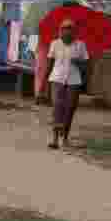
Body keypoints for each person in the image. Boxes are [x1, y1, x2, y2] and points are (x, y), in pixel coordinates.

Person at [45, 19, 89, 149]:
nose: (66, 31)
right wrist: (45, 82)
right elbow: (50, 63)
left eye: (69, 28)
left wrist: (78, 63)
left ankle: (65, 138)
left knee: (70, 108)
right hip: (57, 78)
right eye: (64, 28)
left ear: (74, 31)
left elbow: (86, 65)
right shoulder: (54, 44)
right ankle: (54, 139)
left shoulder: (80, 45)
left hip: (74, 80)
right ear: (60, 30)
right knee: (57, 107)